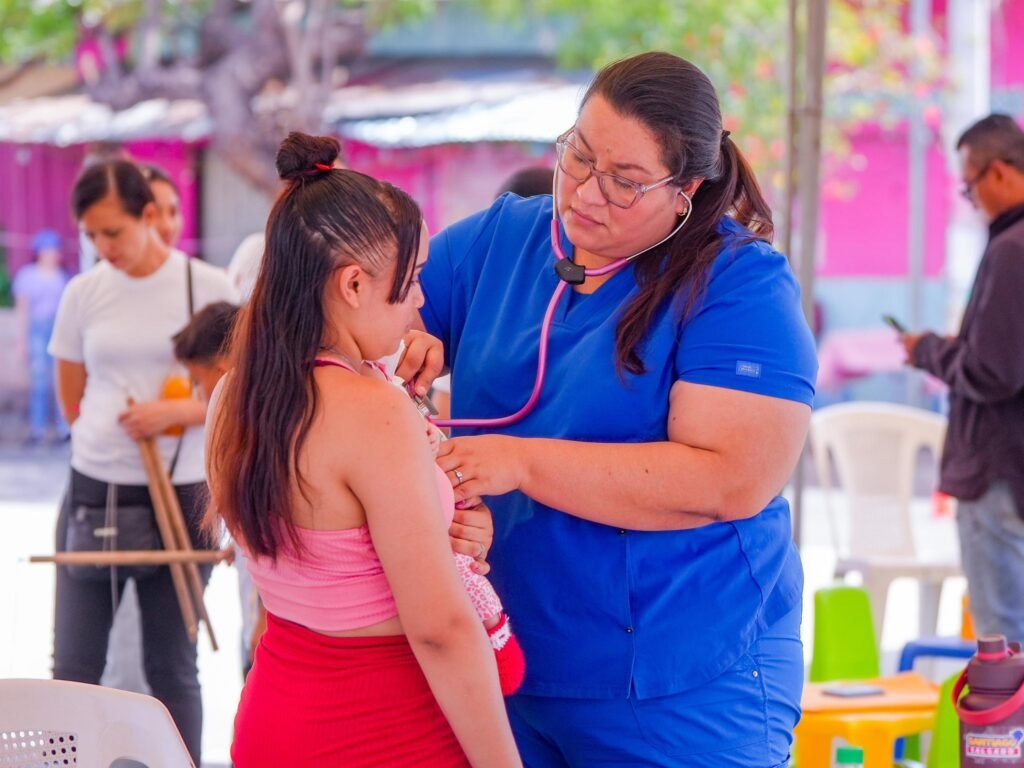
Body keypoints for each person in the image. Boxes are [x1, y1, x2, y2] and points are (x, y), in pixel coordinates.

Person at [398, 51, 817, 767]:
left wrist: (521, 464)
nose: (586, 194)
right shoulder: (504, 239)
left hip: (682, 676)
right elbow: (365, 315)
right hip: (507, 660)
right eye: (579, 156)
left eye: (624, 182)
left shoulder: (739, 285)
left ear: (685, 191)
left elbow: (731, 479)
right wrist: (401, 339)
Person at [206, 132, 521, 767]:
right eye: (413, 280)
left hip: (275, 709)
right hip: (383, 726)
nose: (421, 301)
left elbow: (323, 566)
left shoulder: (231, 396)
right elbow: (440, 629)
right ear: (353, 284)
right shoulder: (372, 411)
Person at [48, 159, 237, 765]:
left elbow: (240, 393)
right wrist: (100, 434)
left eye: (113, 232)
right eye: (91, 235)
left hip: (184, 491)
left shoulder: (208, 286)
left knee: (172, 666)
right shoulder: (84, 293)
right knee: (73, 665)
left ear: (150, 215)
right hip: (95, 487)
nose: (103, 247)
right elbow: (71, 394)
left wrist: (175, 413)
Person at [902, 113, 1024, 644]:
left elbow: (992, 371)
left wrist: (929, 350)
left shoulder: (1013, 249)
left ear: (999, 172)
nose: (970, 200)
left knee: (1005, 645)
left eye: (969, 186)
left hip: (1000, 469)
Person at [13, 229, 69, 444]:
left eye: (54, 250)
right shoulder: (28, 276)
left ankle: (64, 427)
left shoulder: (63, 276)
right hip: (37, 329)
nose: (51, 254)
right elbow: (23, 310)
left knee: (61, 380)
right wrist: (22, 340)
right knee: (39, 381)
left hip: (58, 328)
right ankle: (37, 428)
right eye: (47, 250)